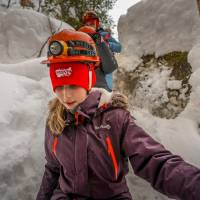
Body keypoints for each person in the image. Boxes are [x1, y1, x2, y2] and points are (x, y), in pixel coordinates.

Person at [36, 29, 200, 200]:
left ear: (89, 79)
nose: (65, 95)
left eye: (72, 86)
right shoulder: (55, 121)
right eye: (59, 87)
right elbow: (53, 170)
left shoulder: (115, 118)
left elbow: (154, 160)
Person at [81, 10, 122, 91]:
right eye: (87, 23)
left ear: (97, 23)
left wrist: (108, 45)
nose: (90, 25)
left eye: (92, 23)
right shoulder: (82, 36)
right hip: (88, 74)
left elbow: (119, 47)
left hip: (105, 74)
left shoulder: (104, 34)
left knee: (105, 97)